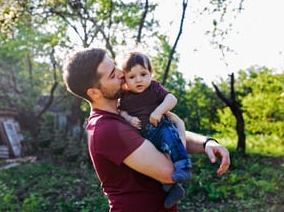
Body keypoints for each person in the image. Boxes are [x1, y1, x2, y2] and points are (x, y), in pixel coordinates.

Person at [63, 47, 230, 212]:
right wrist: (180, 126)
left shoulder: (125, 110)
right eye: (112, 75)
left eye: (115, 66)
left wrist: (206, 143)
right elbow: (170, 171)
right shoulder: (108, 128)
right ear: (95, 93)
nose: (122, 73)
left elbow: (162, 136)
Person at [118, 52, 191, 208]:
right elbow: (122, 111)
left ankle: (183, 166)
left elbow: (172, 99)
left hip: (160, 126)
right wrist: (130, 119)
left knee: (171, 139)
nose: (138, 80)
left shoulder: (154, 88)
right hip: (145, 136)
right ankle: (173, 188)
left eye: (143, 74)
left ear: (151, 74)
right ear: (125, 80)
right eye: (132, 77)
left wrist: (158, 111)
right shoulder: (125, 97)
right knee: (152, 162)